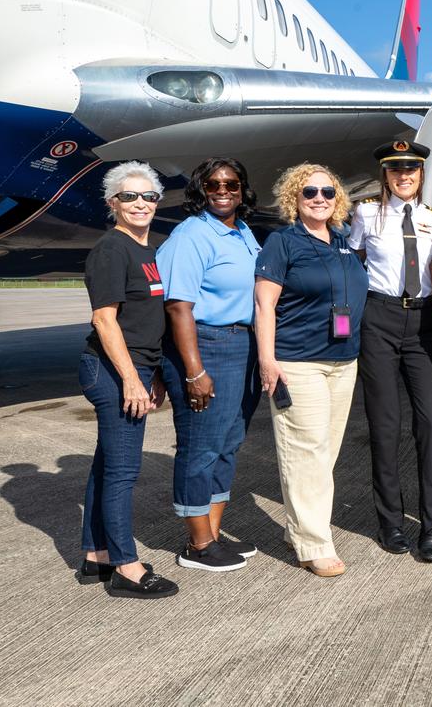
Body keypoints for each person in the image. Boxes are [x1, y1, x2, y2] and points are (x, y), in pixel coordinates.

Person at [254, 163, 368, 578]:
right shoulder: (282, 242)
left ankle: (300, 530)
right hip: (298, 361)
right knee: (305, 451)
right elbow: (264, 304)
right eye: (309, 193)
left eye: (327, 192)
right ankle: (313, 543)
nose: (319, 198)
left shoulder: (341, 239)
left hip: (343, 361)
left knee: (325, 453)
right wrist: (268, 360)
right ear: (294, 199)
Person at [77, 161, 178, 599]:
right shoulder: (111, 249)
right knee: (123, 470)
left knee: (106, 465)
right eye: (129, 197)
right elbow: (105, 319)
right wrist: (132, 381)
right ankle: (126, 566)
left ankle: (96, 553)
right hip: (115, 369)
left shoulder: (146, 251)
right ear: (112, 203)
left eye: (149, 196)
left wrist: (151, 372)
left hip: (137, 366)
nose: (140, 204)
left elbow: (146, 319)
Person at [158, 157, 262, 573]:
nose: (223, 191)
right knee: (200, 448)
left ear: (242, 189)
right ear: (201, 189)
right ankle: (198, 545)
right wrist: (194, 371)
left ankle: (212, 536)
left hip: (242, 345)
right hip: (209, 344)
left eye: (231, 184)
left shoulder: (241, 231)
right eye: (214, 184)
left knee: (228, 443)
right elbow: (178, 306)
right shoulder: (192, 234)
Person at [349, 140, 432, 563]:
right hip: (380, 318)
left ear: (421, 174)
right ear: (385, 176)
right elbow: (351, 268)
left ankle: (431, 526)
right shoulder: (366, 213)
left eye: (411, 170)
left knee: (430, 425)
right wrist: (344, 328)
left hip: (424, 323)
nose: (403, 176)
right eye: (395, 170)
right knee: (384, 426)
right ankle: (390, 520)